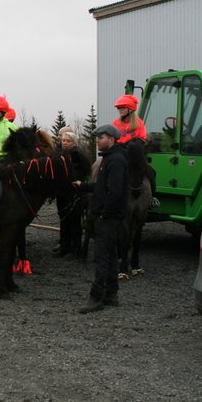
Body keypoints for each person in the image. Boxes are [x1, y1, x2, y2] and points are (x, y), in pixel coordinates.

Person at [73, 124, 129, 314]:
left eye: (101, 137)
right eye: (97, 137)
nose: (97, 140)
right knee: (111, 256)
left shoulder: (116, 160)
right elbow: (102, 186)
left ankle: (96, 297)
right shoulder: (109, 158)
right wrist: (82, 186)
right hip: (109, 216)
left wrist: (104, 213)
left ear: (112, 139)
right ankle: (111, 294)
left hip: (108, 218)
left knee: (101, 258)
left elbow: (115, 191)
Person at [53, 131, 92, 259]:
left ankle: (75, 250)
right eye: (63, 140)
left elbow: (86, 171)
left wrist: (77, 181)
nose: (65, 143)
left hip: (75, 194)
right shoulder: (60, 154)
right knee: (64, 221)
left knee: (75, 222)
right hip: (62, 193)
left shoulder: (79, 155)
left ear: (74, 142)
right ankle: (64, 248)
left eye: (68, 141)